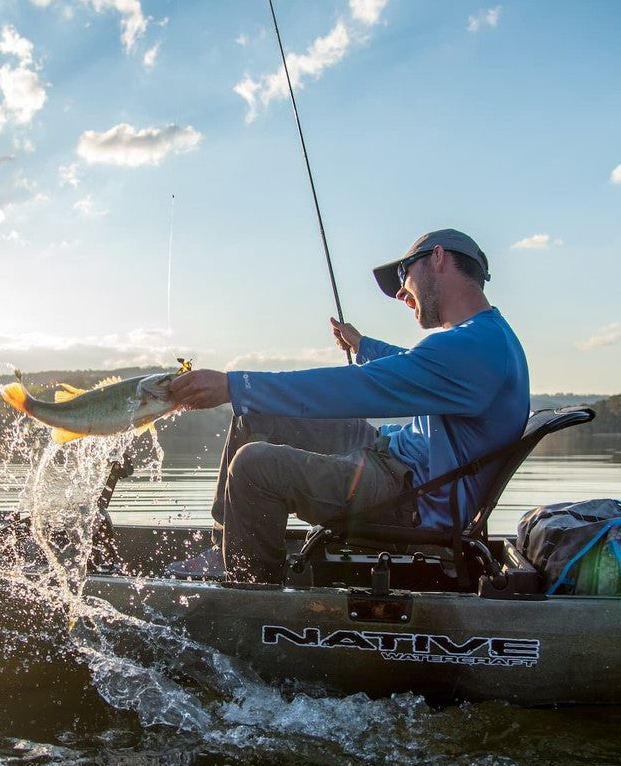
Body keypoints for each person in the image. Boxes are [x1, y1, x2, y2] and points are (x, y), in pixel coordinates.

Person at [165, 228, 530, 583]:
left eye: (404, 274)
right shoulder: (483, 338)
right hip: (391, 455)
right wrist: (364, 346)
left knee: (253, 466)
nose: (401, 292)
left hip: (407, 496)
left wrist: (234, 385)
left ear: (437, 257)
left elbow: (358, 387)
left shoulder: (474, 346)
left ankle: (249, 593)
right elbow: (414, 366)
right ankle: (224, 547)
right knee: (256, 416)